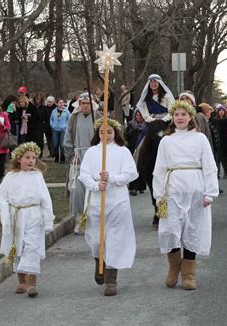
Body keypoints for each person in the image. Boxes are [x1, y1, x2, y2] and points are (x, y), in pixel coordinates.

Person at [153, 100, 219, 290]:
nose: (180, 117)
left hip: (195, 189)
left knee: (192, 229)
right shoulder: (166, 141)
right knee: (170, 230)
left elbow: (209, 166)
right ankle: (174, 267)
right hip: (172, 189)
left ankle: (188, 273)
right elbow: (159, 169)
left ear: (191, 117)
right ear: (172, 118)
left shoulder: (200, 139)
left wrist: (210, 192)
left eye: (183, 114)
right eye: (177, 114)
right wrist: (159, 195)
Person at [78, 118, 138, 296]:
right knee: (97, 239)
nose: (106, 135)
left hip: (117, 201)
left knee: (115, 240)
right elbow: (84, 174)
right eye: (102, 132)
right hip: (96, 200)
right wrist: (96, 186)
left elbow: (131, 174)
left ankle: (111, 280)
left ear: (116, 133)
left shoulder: (123, 151)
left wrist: (111, 178)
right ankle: (99, 260)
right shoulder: (91, 152)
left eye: (109, 131)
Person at [0, 142, 54, 298]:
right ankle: (21, 280)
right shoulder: (10, 177)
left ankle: (31, 283)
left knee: (32, 246)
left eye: (34, 158)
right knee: (18, 245)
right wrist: (5, 215)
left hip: (33, 214)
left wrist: (48, 220)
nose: (31, 161)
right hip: (16, 215)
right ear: (19, 159)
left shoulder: (37, 176)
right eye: (27, 157)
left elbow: (45, 199)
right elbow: (1, 196)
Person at [136, 74, 175, 228]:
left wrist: (165, 119)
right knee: (139, 147)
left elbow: (171, 110)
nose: (153, 84)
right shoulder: (146, 98)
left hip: (165, 124)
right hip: (151, 124)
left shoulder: (166, 97)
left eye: (155, 81)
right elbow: (144, 111)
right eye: (150, 82)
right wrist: (150, 120)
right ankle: (137, 169)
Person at [64, 92, 98, 234]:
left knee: (93, 189)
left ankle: (93, 219)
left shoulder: (98, 118)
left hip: (94, 158)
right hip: (78, 157)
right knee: (77, 190)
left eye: (88, 103)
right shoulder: (74, 118)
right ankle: (80, 219)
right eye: (83, 103)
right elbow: (68, 138)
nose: (85, 106)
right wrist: (71, 155)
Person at [125, 109, 147, 196]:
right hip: (133, 147)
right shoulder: (131, 124)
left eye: (140, 115)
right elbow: (126, 135)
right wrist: (132, 132)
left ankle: (141, 186)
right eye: (137, 115)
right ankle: (133, 187)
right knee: (133, 167)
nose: (139, 117)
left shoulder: (146, 125)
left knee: (141, 167)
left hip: (143, 148)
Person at [50, 98, 71, 163]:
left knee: (62, 145)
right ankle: (56, 157)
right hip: (55, 130)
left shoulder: (66, 111)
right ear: (57, 103)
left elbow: (69, 120)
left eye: (62, 102)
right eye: (60, 102)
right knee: (55, 144)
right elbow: (51, 119)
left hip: (63, 130)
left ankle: (62, 159)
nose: (61, 104)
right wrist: (52, 125)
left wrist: (65, 126)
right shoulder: (54, 111)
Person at [0, 102, 11, 179]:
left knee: (1, 160)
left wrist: (2, 126)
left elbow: (9, 126)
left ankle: (1, 174)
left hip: (2, 140)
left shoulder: (3, 115)